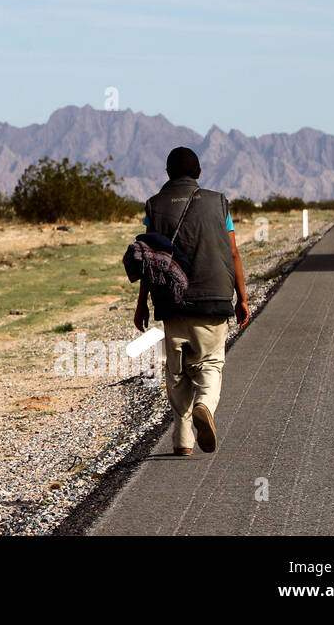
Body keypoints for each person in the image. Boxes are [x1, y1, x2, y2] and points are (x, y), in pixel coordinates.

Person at [135, 147, 250, 455]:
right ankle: (205, 406)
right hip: (213, 301)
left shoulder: (155, 206)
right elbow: (234, 253)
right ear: (199, 173)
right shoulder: (218, 202)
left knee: (176, 373)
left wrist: (141, 303)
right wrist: (242, 299)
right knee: (210, 364)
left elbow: (150, 257)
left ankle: (183, 440)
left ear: (168, 174)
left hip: (170, 303)